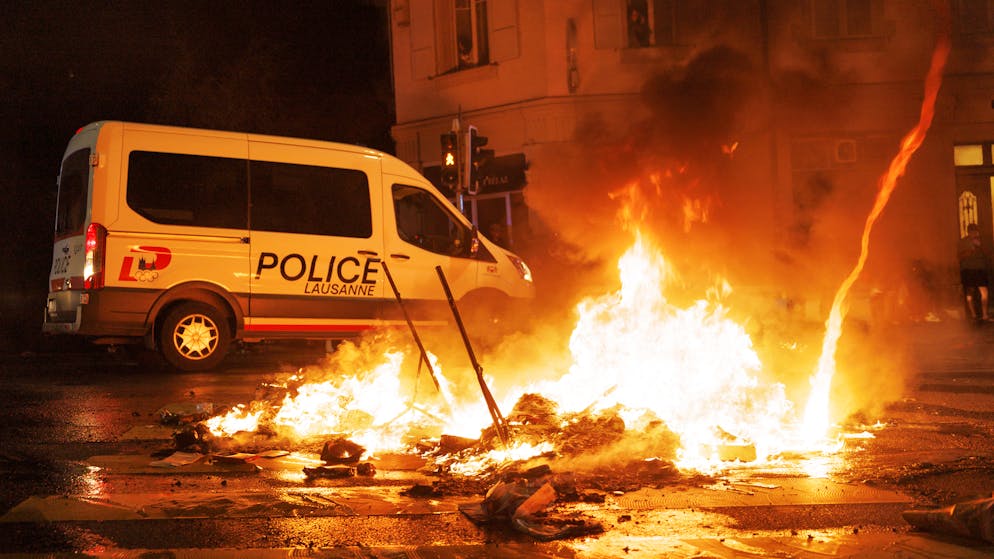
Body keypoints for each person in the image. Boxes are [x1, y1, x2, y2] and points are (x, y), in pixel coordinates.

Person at [958, 223, 991, 321]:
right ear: (969, 232)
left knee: (984, 291)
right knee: (970, 291)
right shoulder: (963, 242)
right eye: (972, 231)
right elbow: (960, 257)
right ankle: (973, 315)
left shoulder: (982, 241)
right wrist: (971, 250)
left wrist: (980, 246)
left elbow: (988, 254)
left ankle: (984, 314)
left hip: (980, 269)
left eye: (976, 231)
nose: (974, 233)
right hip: (968, 269)